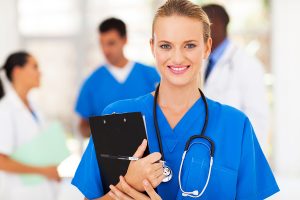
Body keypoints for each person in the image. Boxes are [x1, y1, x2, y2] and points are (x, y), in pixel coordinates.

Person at [72, 0, 279, 199]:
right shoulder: (117, 116)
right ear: (152, 47)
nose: (178, 58)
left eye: (189, 45)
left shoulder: (235, 125)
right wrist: (128, 184)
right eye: (165, 46)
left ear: (207, 47)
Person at [75, 17, 160, 138]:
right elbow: (83, 127)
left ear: (124, 40)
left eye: (111, 43)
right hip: (107, 154)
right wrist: (104, 134)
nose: (106, 50)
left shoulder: (150, 76)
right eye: (102, 44)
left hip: (150, 152)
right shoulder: (92, 82)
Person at [202, 4, 270, 149]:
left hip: (236, 152)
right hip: (208, 151)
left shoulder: (247, 65)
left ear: (218, 25)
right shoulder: (202, 62)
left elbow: (258, 120)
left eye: (203, 24)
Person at [0, 51, 60, 200]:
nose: (40, 72)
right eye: (34, 67)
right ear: (17, 71)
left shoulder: (35, 107)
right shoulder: (5, 109)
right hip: (18, 193)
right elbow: (1, 160)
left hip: (43, 190)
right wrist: (43, 170)